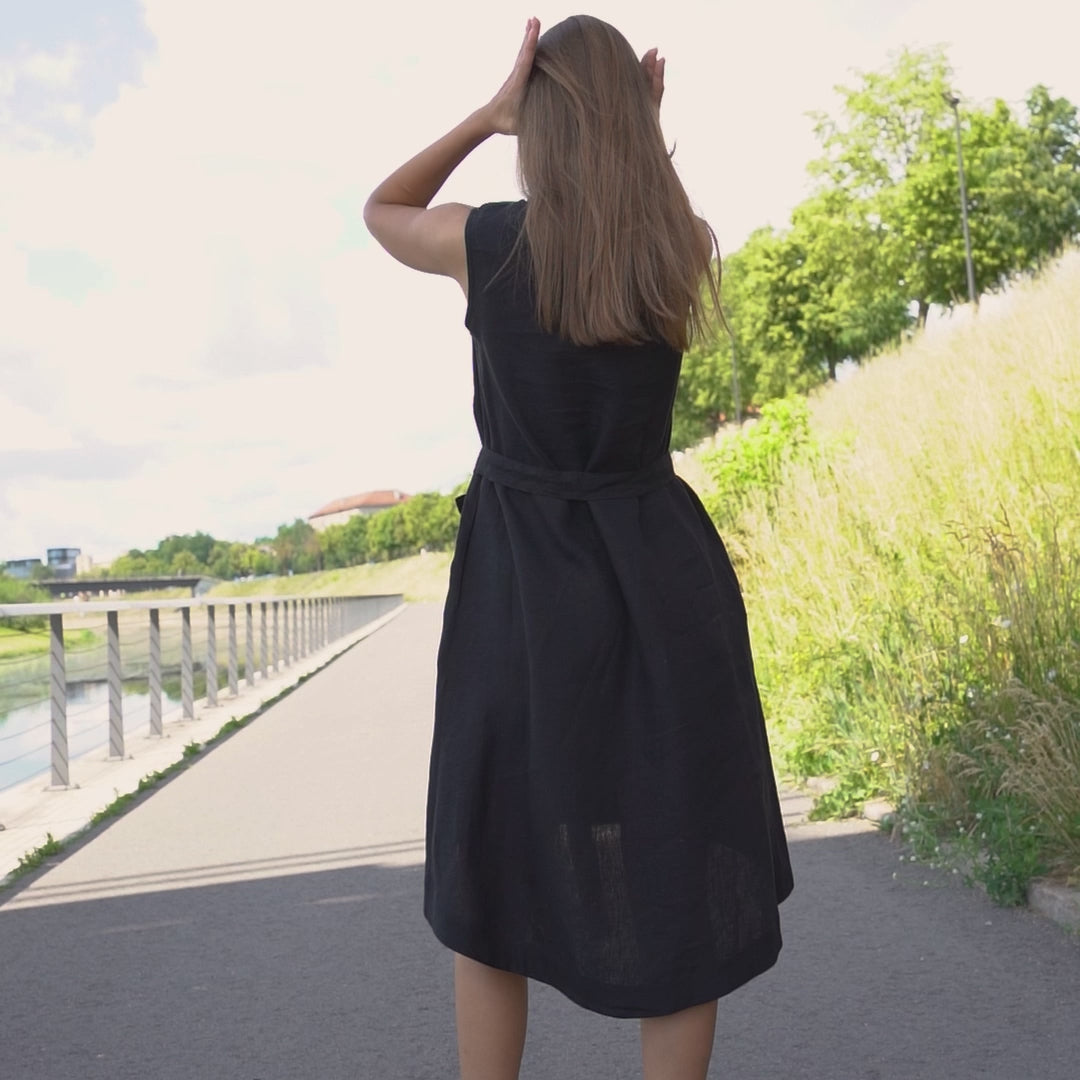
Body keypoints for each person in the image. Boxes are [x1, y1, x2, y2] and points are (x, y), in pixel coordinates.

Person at [365, 15, 794, 1080]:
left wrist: (486, 112)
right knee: (679, 854)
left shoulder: (491, 243)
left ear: (538, 117)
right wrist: (638, 135)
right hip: (661, 579)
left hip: (519, 591)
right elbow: (641, 208)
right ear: (632, 120)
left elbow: (382, 210)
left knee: (494, 864)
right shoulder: (679, 247)